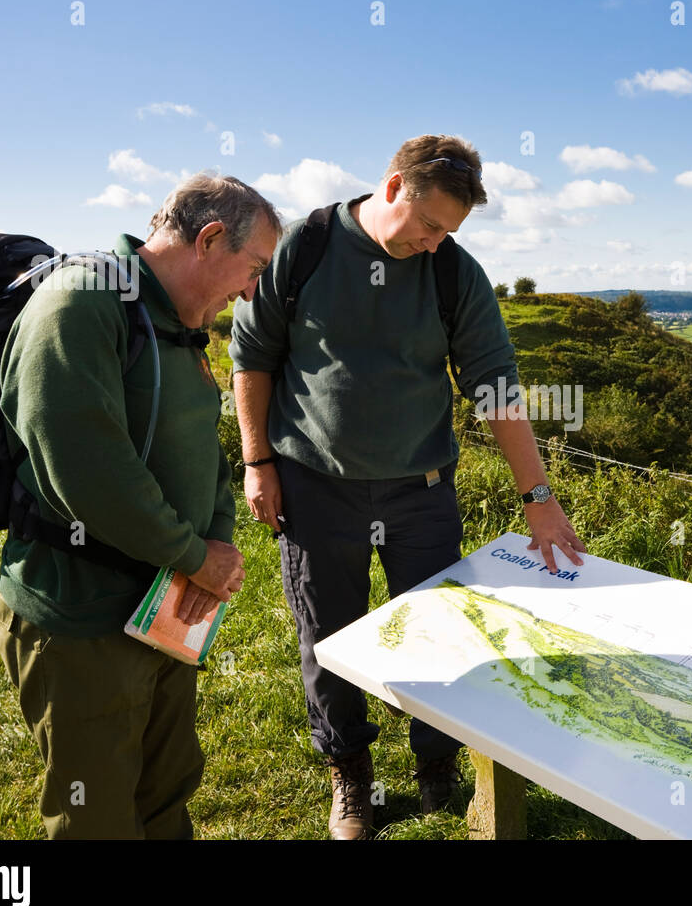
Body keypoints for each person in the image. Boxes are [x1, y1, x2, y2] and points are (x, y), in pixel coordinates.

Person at [230, 134, 586, 839]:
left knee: (433, 631)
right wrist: (256, 461)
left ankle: (435, 769)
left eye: (448, 232)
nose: (433, 243)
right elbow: (252, 355)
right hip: (314, 484)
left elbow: (496, 389)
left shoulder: (453, 273)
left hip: (419, 491)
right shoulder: (305, 246)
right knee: (326, 634)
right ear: (393, 187)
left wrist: (539, 500)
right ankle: (351, 780)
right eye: (428, 225)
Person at [0, 173, 282, 838]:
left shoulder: (176, 324)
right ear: (210, 239)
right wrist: (192, 556)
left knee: (165, 792)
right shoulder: (82, 302)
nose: (250, 291)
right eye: (253, 268)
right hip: (82, 620)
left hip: (162, 609)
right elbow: (88, 470)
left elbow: (198, 452)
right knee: (95, 815)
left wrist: (216, 545)